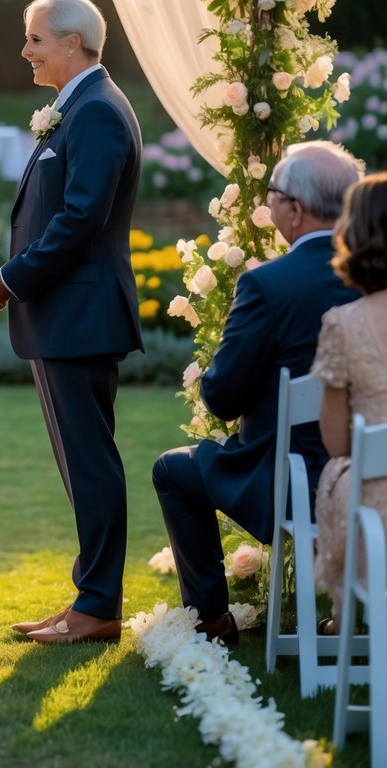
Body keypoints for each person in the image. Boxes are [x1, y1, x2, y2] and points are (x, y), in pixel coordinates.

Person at [0, 0, 143, 644]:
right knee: (79, 461)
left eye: (34, 39)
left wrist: (8, 279)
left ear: (71, 43)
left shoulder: (94, 111)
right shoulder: (78, 107)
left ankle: (97, 608)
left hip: (79, 314)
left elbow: (79, 220)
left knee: (89, 462)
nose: (24, 50)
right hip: (63, 313)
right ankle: (87, 599)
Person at [152, 140, 363, 645]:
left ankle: (211, 620)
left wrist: (209, 373)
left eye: (271, 192)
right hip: (374, 469)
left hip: (295, 477)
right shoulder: (373, 280)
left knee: (173, 470)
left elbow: (223, 397)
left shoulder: (269, 284)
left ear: (295, 208)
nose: (266, 203)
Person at [311, 172, 387, 631]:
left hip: (379, 509)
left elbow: (337, 442)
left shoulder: (343, 324)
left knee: (338, 471)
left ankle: (343, 619)